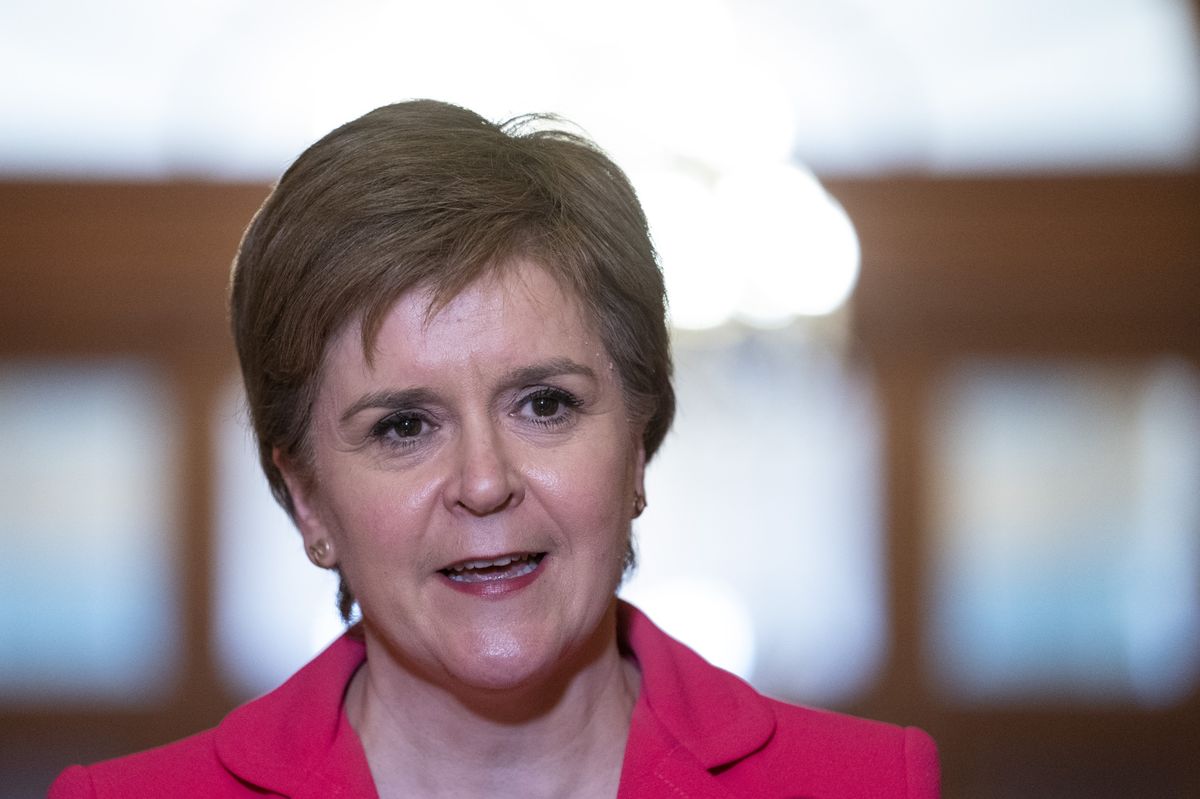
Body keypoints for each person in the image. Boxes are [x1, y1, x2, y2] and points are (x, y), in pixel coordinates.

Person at [49, 100, 939, 798]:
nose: (484, 482)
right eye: (403, 425)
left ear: (636, 445)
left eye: (545, 404)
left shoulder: (869, 784)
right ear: (309, 498)